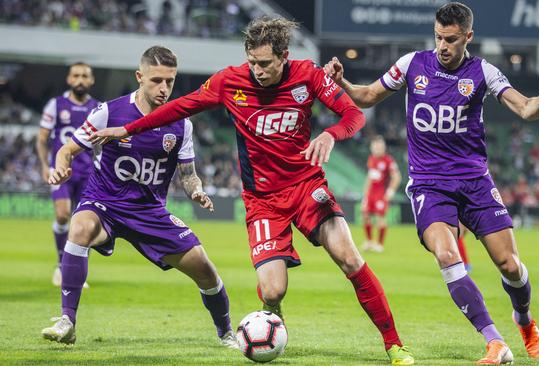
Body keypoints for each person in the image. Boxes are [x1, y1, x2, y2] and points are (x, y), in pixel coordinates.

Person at [89, 17, 414, 366]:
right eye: (252, 62)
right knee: (273, 289)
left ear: (284, 56)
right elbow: (179, 106)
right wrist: (128, 128)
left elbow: (353, 115)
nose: (257, 70)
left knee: (349, 257)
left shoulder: (308, 75)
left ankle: (394, 345)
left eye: (265, 63)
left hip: (307, 186)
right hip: (262, 201)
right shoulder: (230, 81)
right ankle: (272, 313)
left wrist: (330, 134)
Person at [324, 2, 539, 364]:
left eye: (451, 39)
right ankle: (495, 342)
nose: (442, 46)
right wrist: (341, 80)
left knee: (510, 266)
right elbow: (367, 96)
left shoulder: (483, 71)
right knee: (447, 255)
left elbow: (525, 108)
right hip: (428, 184)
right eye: (438, 37)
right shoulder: (412, 64)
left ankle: (525, 320)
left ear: (468, 36)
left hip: (474, 181)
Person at [41, 46, 237, 349]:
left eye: (170, 81)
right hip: (104, 203)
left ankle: (226, 334)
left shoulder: (181, 123)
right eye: (156, 80)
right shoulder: (109, 111)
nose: (164, 88)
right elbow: (68, 148)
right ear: (139, 77)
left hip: (150, 212)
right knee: (78, 228)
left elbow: (188, 174)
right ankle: (67, 321)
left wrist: (196, 190)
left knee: (205, 269)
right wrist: (59, 168)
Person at [36, 62, 99, 287]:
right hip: (61, 170)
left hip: (89, 174)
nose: (80, 80)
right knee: (63, 216)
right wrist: (45, 166)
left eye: (85, 76)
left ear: (91, 81)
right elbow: (42, 139)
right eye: (76, 75)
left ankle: (77, 272)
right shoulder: (56, 105)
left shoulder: (98, 109)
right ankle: (62, 264)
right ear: (69, 79)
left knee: (86, 224)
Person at [361, 135, 401, 253]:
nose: (377, 148)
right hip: (370, 194)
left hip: (380, 193)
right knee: (365, 216)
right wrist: (365, 195)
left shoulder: (388, 160)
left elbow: (397, 177)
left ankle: (379, 244)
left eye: (379, 145)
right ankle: (369, 241)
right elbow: (369, 177)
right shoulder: (371, 159)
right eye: (375, 146)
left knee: (380, 218)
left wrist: (391, 191)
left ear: (383, 147)